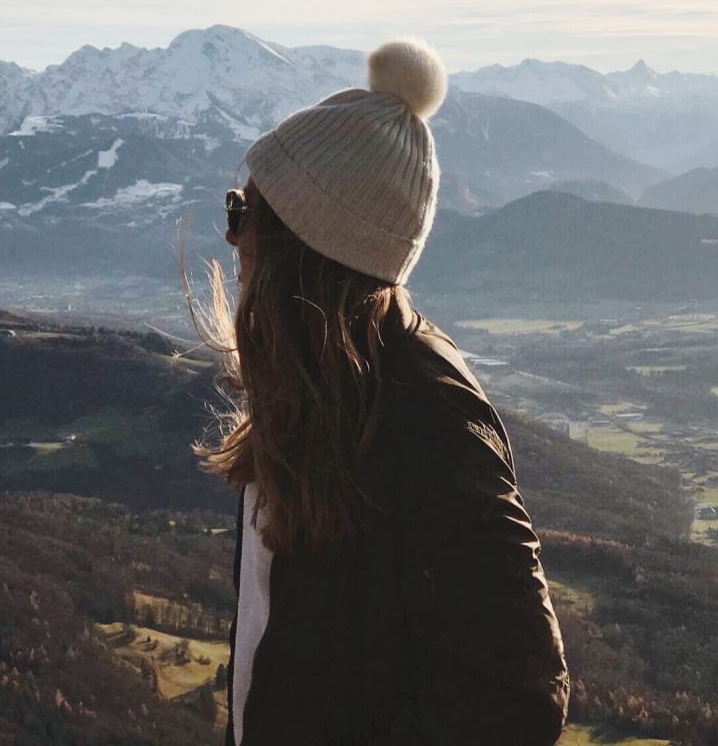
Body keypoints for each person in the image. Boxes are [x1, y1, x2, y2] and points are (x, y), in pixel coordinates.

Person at [189, 39, 569, 745]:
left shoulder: (429, 418)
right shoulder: (319, 396)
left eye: (243, 212)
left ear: (296, 245)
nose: (230, 235)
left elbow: (516, 701)